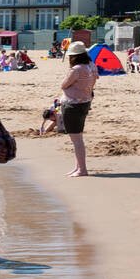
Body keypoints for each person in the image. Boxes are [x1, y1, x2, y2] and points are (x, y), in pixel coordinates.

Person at [59, 41, 98, 177]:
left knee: (76, 139)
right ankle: (78, 167)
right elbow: (94, 80)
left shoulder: (76, 69)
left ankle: (82, 169)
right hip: (85, 102)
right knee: (78, 138)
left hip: (72, 105)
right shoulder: (92, 66)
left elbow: (63, 85)